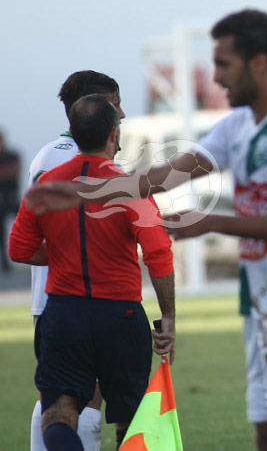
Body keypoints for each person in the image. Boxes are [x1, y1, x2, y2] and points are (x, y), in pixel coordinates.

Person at [26, 9, 267, 451]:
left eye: (224, 64)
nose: (216, 77)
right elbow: (163, 178)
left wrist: (212, 221)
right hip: (261, 302)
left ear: (257, 63)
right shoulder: (236, 126)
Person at [9, 94, 175, 451]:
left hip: (65, 313)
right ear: (114, 135)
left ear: (73, 131)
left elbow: (18, 249)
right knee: (130, 419)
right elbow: (158, 252)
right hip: (120, 314)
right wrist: (169, 316)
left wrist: (63, 252)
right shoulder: (130, 189)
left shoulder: (45, 186)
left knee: (59, 416)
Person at [25, 70, 126, 451]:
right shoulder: (69, 158)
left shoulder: (51, 154)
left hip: (57, 299)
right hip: (71, 297)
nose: (123, 115)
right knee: (82, 400)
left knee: (59, 398)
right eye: (116, 105)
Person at [0, 130, 21, 271]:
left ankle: (27, 252)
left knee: (23, 224)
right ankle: (5, 263)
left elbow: (17, 170)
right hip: (2, 198)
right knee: (1, 232)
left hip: (12, 196)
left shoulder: (13, 154)